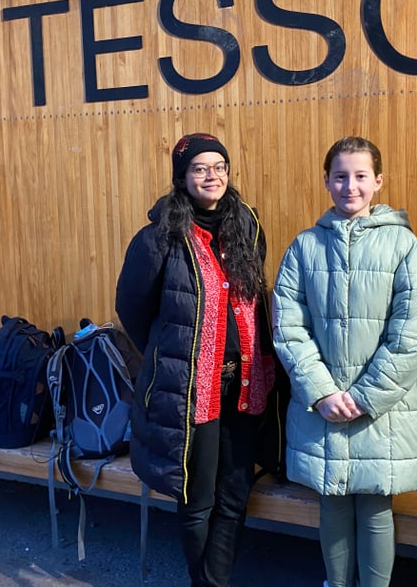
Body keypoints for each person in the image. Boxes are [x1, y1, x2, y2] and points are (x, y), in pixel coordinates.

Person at [115, 132, 283, 587]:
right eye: (200, 169)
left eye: (220, 167)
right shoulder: (158, 238)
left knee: (234, 492)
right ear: (182, 177)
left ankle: (215, 580)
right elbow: (133, 310)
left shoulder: (246, 225)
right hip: (190, 391)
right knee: (197, 498)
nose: (213, 176)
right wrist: (173, 356)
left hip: (246, 383)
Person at [272, 136, 417, 587]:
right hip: (321, 406)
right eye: (340, 176)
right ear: (326, 181)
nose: (350, 186)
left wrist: (363, 397)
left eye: (361, 176)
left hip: (381, 409)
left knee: (376, 504)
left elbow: (414, 333)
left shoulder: (403, 245)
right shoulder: (304, 247)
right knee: (333, 501)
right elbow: (288, 326)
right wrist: (321, 391)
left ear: (378, 181)